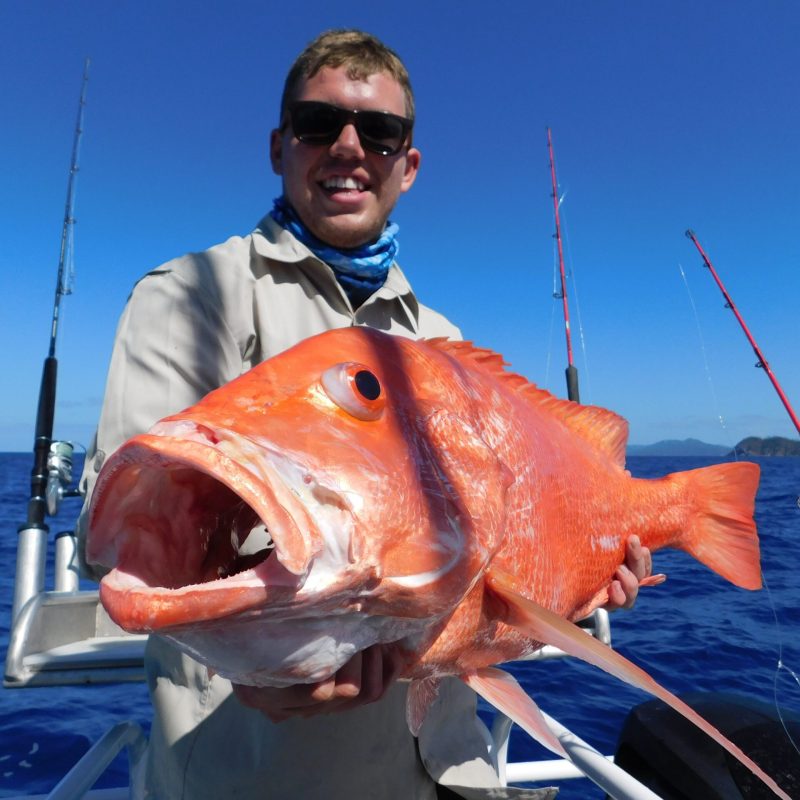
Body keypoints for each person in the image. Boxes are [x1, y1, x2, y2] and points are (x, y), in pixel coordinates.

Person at [78, 29, 652, 800]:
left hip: (454, 774)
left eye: (380, 133)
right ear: (280, 145)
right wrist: (260, 674)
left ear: (407, 166)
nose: (350, 147)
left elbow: (503, 560)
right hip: (250, 780)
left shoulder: (443, 342)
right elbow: (121, 540)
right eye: (320, 124)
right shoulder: (187, 296)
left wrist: (584, 576)